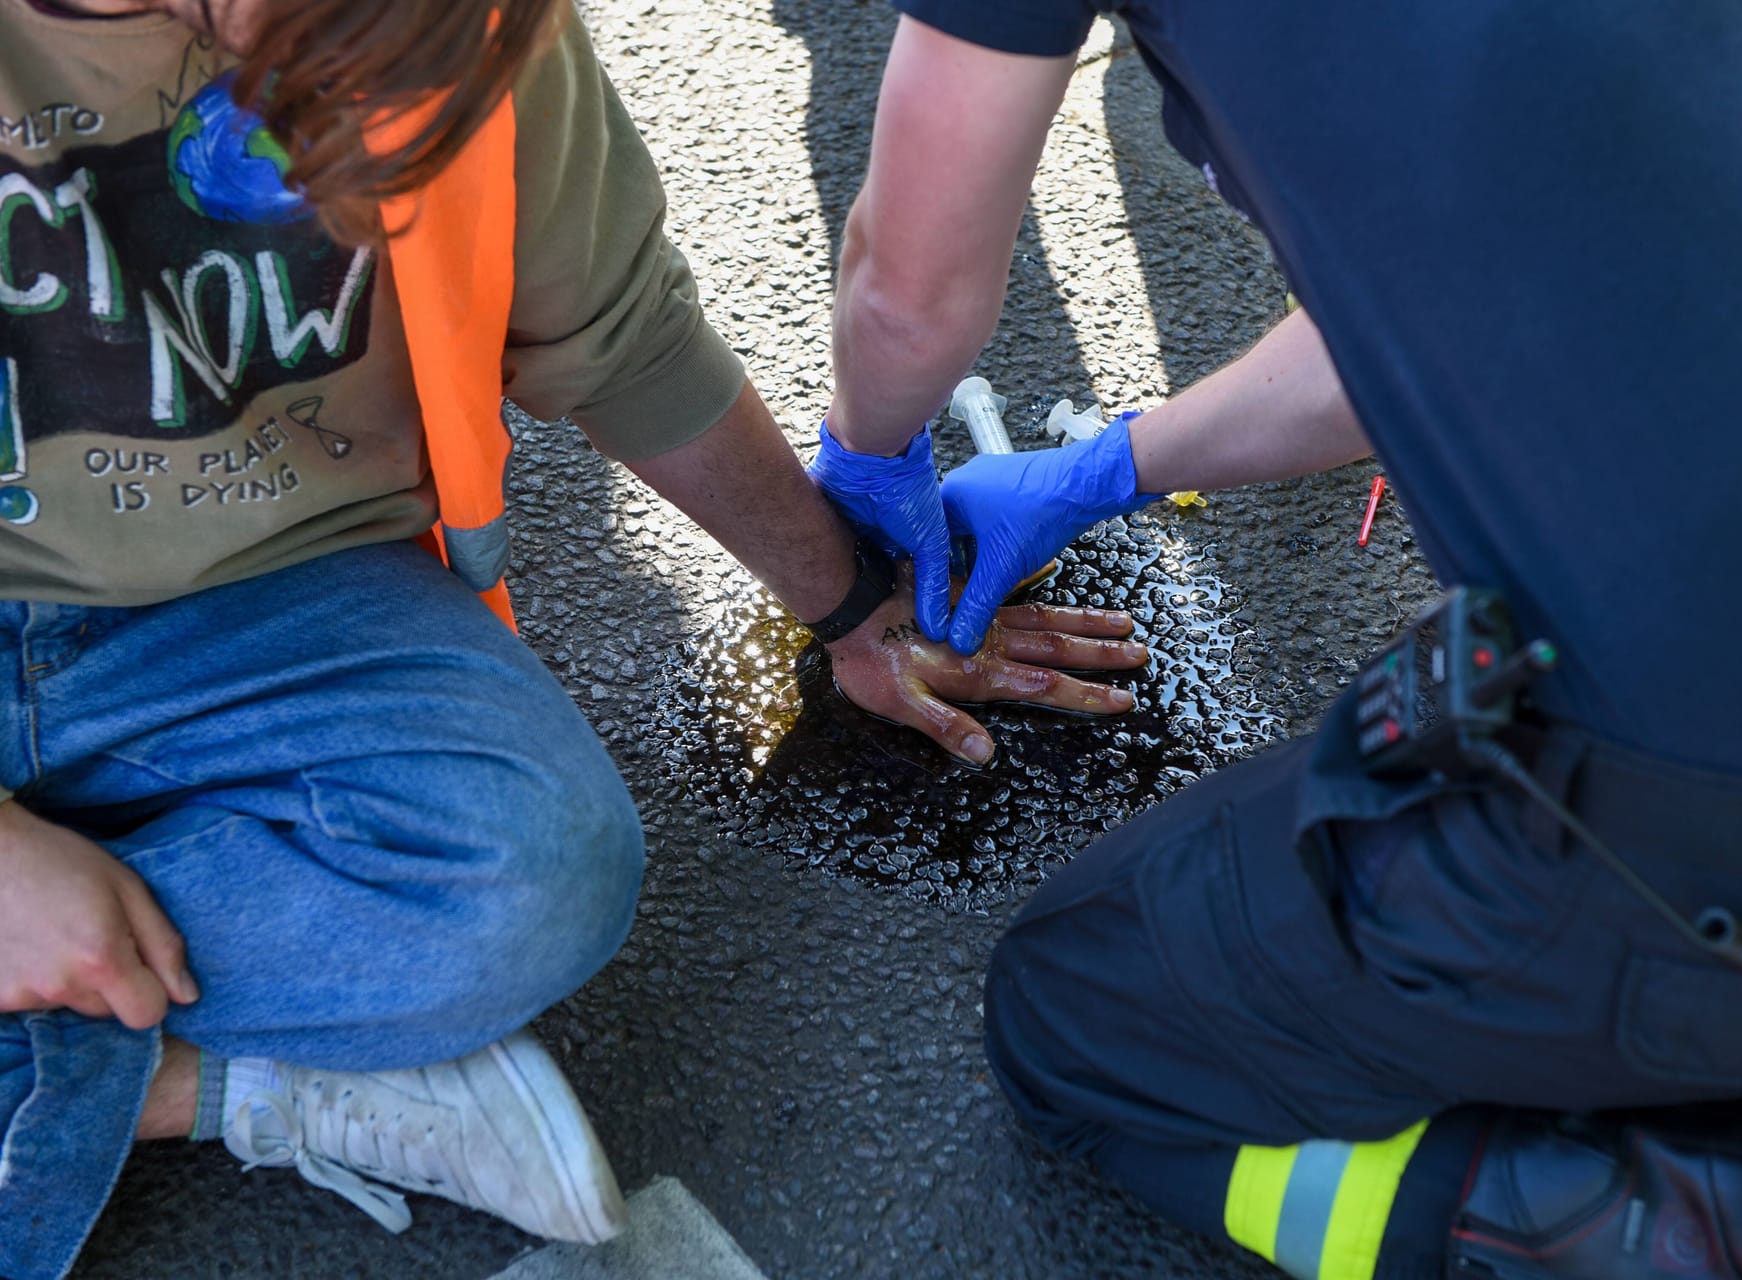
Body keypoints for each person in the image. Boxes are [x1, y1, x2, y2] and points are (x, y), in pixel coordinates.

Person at [0, 0, 1153, 1275]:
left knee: (530, 870)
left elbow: (624, 342)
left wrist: (849, 604)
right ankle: (184, 1086)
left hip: (258, 596)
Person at [812, 2, 1742, 1277]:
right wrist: (1114, 465)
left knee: (1081, 1017)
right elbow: (1441, 302)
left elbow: (906, 298)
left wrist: (866, 450)